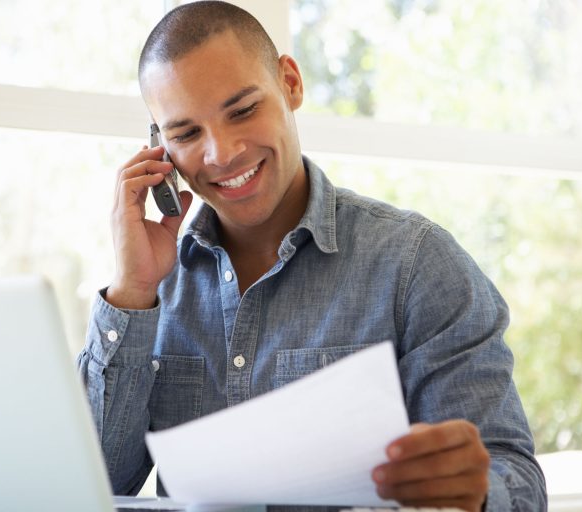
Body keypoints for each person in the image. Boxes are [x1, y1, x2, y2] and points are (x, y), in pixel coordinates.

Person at [78, 1, 547, 510]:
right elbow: (92, 488)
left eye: (243, 110)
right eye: (187, 133)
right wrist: (133, 292)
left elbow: (514, 480)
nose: (222, 152)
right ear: (159, 147)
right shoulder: (152, 289)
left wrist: (477, 495)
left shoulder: (416, 265)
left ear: (290, 83)